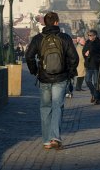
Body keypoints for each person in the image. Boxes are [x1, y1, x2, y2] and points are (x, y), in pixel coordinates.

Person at [25, 12, 79, 150]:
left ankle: (47, 140)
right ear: (56, 22)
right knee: (57, 106)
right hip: (61, 77)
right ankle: (55, 137)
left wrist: (34, 71)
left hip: (44, 77)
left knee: (45, 108)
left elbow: (29, 56)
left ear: (44, 23)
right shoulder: (64, 38)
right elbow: (74, 58)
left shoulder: (38, 38)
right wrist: (70, 73)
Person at [83, 29, 100, 104]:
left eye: (90, 35)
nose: (89, 37)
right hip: (88, 65)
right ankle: (93, 94)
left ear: (95, 36)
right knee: (87, 80)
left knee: (96, 83)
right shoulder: (87, 42)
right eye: (88, 35)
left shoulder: (99, 43)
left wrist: (91, 52)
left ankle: (97, 99)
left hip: (96, 65)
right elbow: (84, 51)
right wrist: (85, 53)